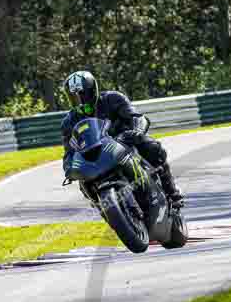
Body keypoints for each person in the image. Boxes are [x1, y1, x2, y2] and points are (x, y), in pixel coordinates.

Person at [60, 70, 184, 207]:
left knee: (151, 146)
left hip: (124, 140)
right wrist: (69, 168)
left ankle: (172, 192)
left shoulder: (112, 99)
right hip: (96, 153)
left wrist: (137, 131)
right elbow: (69, 151)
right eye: (74, 97)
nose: (80, 100)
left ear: (93, 90)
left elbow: (137, 117)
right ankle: (105, 209)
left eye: (83, 94)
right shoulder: (69, 122)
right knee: (83, 183)